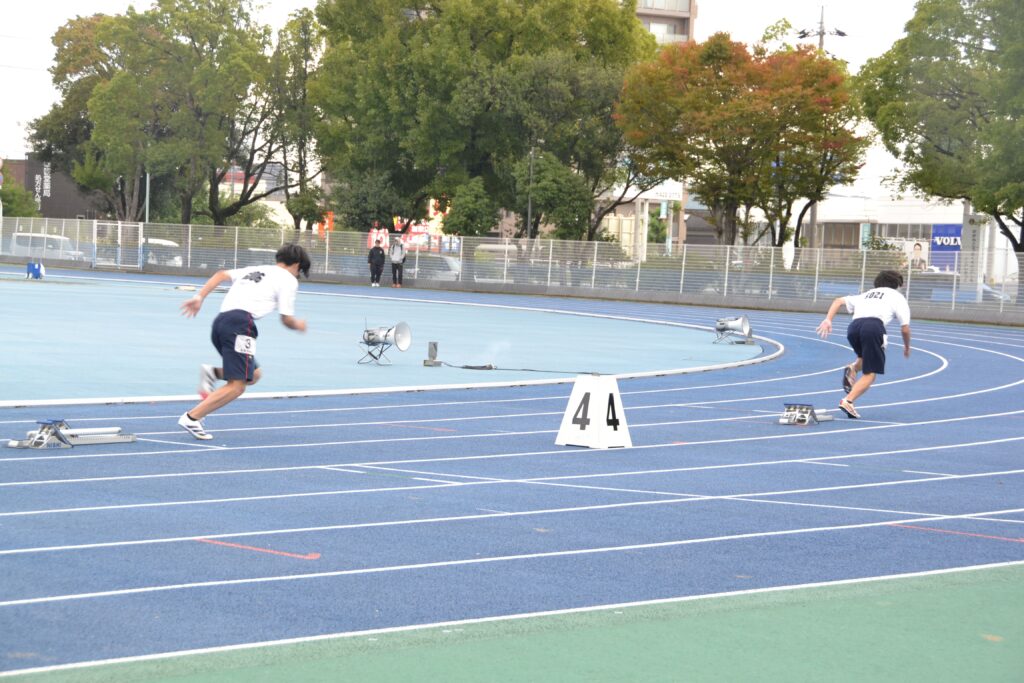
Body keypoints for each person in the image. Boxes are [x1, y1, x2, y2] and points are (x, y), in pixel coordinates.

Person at [177, 243, 310, 440]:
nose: (298, 275)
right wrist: (299, 326)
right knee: (237, 386)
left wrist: (199, 297)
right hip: (240, 326)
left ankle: (212, 373)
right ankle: (192, 417)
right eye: (300, 272)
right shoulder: (289, 280)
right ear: (297, 264)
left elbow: (221, 275)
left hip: (221, 322)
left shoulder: (256, 269)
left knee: (254, 375)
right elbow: (286, 319)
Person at [815, 269, 912, 419]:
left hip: (854, 327)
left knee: (864, 359)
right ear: (897, 285)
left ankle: (852, 368)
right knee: (870, 374)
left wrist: (828, 320)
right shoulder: (898, 297)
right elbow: (905, 328)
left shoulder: (866, 294)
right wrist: (906, 346)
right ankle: (848, 401)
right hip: (873, 327)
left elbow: (838, 301)